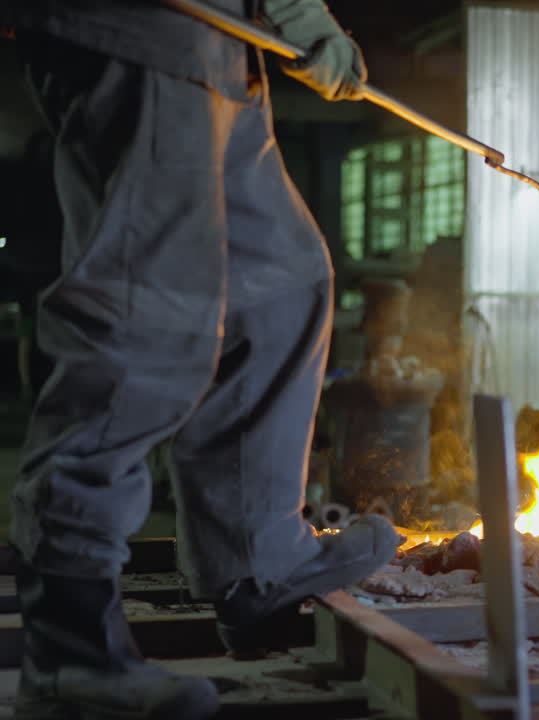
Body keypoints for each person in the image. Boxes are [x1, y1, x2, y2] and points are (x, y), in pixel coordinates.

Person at [3, 1, 400, 717]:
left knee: (281, 283)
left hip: (222, 43)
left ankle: (259, 564)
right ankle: (70, 650)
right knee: (149, 314)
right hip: (142, 26)